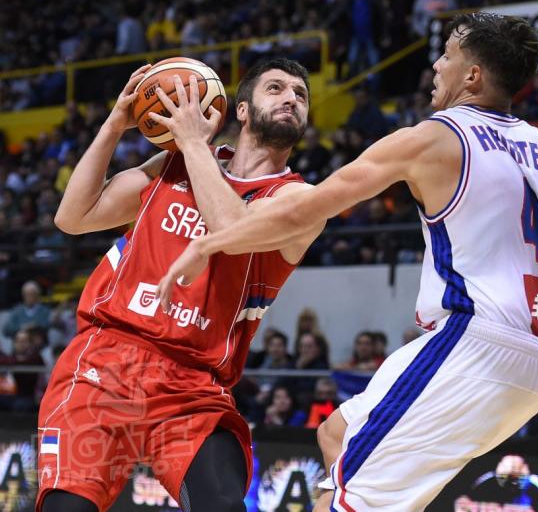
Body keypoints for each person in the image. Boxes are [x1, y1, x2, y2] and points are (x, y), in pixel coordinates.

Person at [157, 12, 538, 511]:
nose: (436, 66)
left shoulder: (431, 139)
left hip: (472, 344)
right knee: (336, 434)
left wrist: (210, 243)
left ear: (473, 76)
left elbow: (310, 206)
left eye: (448, 55)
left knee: (358, 497)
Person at [36, 58, 324, 512]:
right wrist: (115, 124)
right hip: (106, 360)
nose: (291, 98)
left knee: (222, 505)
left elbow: (230, 230)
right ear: (242, 110)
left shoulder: (299, 199)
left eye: (300, 95)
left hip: (193, 385)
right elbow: (73, 217)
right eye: (276, 88)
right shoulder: (172, 164)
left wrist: (193, 144)